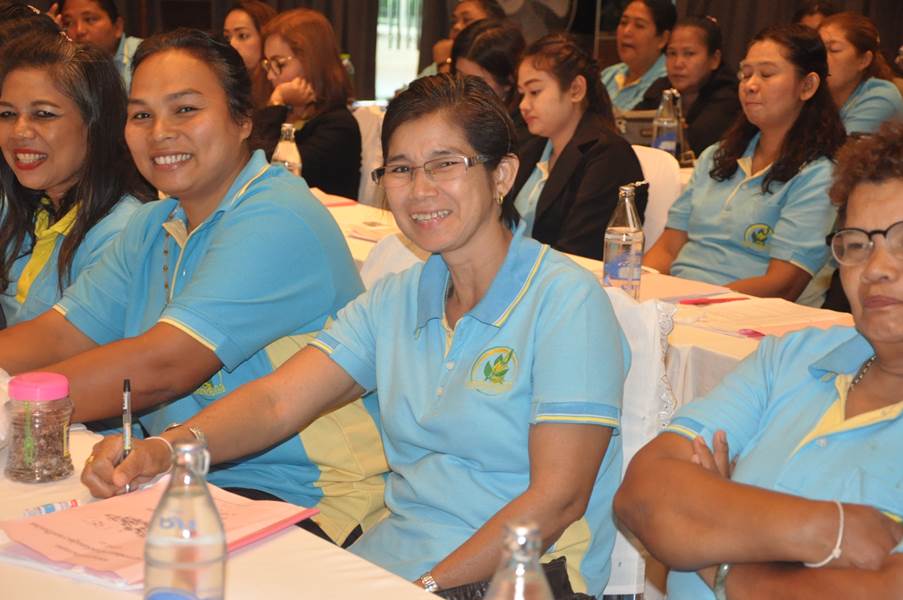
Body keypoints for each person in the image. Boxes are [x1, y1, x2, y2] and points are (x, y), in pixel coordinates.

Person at [81, 74, 629, 598]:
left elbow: (557, 500)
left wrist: (427, 589)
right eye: (401, 169)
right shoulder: (398, 298)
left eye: (445, 164)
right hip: (396, 560)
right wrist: (163, 450)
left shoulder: (564, 301)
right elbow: (277, 401)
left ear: (503, 175)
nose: (420, 190)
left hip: (527, 573)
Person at [0, 28, 387, 547]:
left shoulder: (277, 215)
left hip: (299, 494)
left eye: (185, 109)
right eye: (141, 115)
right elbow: (60, 336)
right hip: (184, 478)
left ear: (243, 119)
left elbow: (164, 366)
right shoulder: (153, 224)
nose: (160, 132)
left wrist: (21, 405)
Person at [614, 120, 903, 600]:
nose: (875, 269)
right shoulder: (791, 357)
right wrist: (832, 528)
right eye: (857, 245)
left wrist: (719, 535)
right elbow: (643, 497)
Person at [644, 25, 846, 306]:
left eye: (766, 74)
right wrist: (641, 285)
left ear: (807, 86)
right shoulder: (716, 156)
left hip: (748, 315)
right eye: (746, 73)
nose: (750, 85)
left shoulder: (818, 174)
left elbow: (783, 285)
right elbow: (668, 247)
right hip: (680, 303)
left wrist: (695, 302)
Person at [0, 32, 148, 327]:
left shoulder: (123, 231)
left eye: (44, 114)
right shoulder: (24, 207)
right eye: (7, 114)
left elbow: (59, 342)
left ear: (96, 124)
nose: (19, 131)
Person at [509, 33, 645, 261]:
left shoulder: (609, 156)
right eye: (522, 94)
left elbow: (579, 249)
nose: (523, 105)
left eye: (535, 92)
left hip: (563, 276)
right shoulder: (531, 146)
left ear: (575, 90)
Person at [257, 8, 361, 198]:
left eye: (279, 64)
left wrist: (276, 102)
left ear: (311, 61)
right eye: (268, 65)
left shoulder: (338, 125)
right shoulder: (283, 115)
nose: (270, 75)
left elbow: (271, 171)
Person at [636, 16, 740, 157]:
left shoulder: (728, 95)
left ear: (714, 59)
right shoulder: (661, 88)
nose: (678, 63)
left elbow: (695, 143)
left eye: (689, 54)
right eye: (672, 53)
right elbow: (630, 128)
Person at [451, 18, 533, 150]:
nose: (465, 87)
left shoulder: (526, 132)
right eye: (459, 75)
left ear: (509, 82)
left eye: (478, 81)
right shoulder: (450, 111)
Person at [818, 13, 903, 135]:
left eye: (834, 50)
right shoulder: (816, 96)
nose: (821, 58)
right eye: (819, 50)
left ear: (864, 60)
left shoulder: (881, 98)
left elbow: (845, 147)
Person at [601, 0, 676, 112]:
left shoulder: (670, 82)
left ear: (663, 39)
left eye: (639, 26)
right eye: (623, 22)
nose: (626, 31)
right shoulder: (608, 75)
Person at [57, 0, 142, 88]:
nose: (79, 30)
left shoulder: (144, 58)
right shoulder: (65, 65)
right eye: (68, 23)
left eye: (89, 19)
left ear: (118, 27)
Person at [421, 0, 505, 78]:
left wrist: (445, 65)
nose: (456, 26)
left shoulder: (499, 67)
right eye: (453, 21)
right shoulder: (437, 64)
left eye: (467, 20)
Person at [223, 0, 276, 110]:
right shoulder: (227, 85)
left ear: (265, 37)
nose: (232, 45)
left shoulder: (279, 84)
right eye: (227, 38)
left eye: (242, 36)